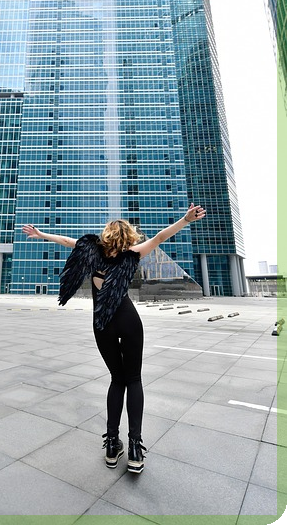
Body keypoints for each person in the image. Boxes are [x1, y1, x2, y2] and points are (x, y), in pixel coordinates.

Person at [22, 202, 206, 474]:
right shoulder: (133, 254)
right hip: (129, 321)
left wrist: (40, 234)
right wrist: (185, 220)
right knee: (134, 380)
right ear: (129, 236)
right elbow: (160, 237)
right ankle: (134, 449)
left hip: (102, 324)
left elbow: (66, 241)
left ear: (106, 234)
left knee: (117, 380)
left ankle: (111, 445)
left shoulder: (92, 252)